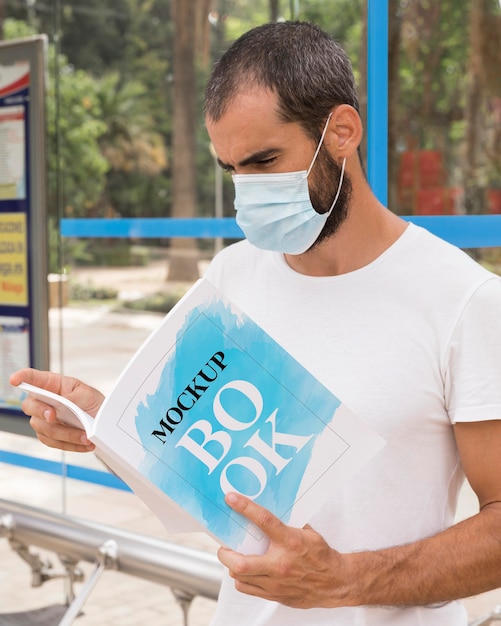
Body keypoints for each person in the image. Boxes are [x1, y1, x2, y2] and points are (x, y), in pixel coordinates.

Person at [11, 21, 501, 626]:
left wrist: (348, 582)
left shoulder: (464, 302)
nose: (250, 192)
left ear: (342, 131)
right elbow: (199, 466)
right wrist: (106, 426)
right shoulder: (233, 275)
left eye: (266, 159)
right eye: (232, 169)